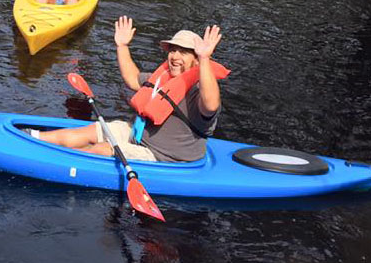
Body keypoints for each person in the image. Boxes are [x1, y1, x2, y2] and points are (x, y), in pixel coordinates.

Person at [35, 16, 227, 162]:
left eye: (183, 52)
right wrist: (122, 45)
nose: (175, 56)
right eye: (172, 50)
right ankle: (31, 138)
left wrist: (204, 58)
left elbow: (210, 106)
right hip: (137, 137)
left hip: (162, 156)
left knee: (101, 149)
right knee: (87, 132)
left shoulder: (200, 89)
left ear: (196, 59)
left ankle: (49, 162)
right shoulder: (164, 78)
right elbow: (133, 79)